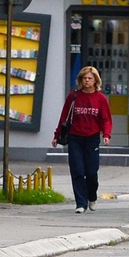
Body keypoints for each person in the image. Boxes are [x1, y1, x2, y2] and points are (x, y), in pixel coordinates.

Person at [55, 66, 111, 213]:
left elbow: (106, 119)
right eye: (84, 78)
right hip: (75, 138)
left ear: (95, 81)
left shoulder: (101, 99)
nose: (87, 81)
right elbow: (64, 117)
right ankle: (81, 203)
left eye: (90, 78)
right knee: (77, 171)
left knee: (91, 173)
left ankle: (91, 197)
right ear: (81, 80)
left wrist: (106, 134)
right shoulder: (74, 96)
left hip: (92, 138)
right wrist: (57, 135)